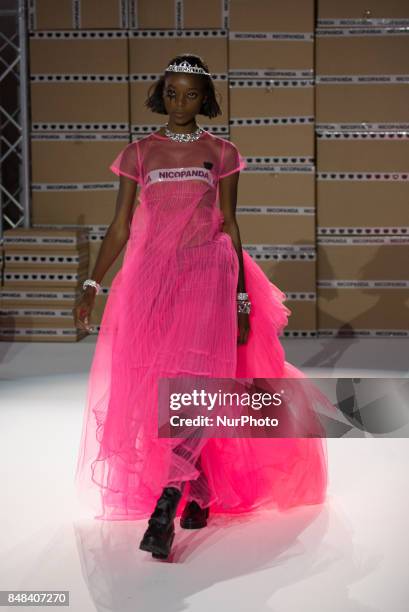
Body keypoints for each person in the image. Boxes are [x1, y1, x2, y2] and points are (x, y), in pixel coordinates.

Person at [73, 53, 335, 561]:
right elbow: (121, 226)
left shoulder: (221, 152)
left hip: (208, 275)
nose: (179, 103)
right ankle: (201, 488)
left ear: (205, 100)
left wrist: (240, 296)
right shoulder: (139, 154)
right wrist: (91, 282)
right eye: (171, 93)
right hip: (153, 281)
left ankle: (166, 503)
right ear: (160, 94)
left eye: (190, 94)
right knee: (160, 389)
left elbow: (230, 224)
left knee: (195, 384)